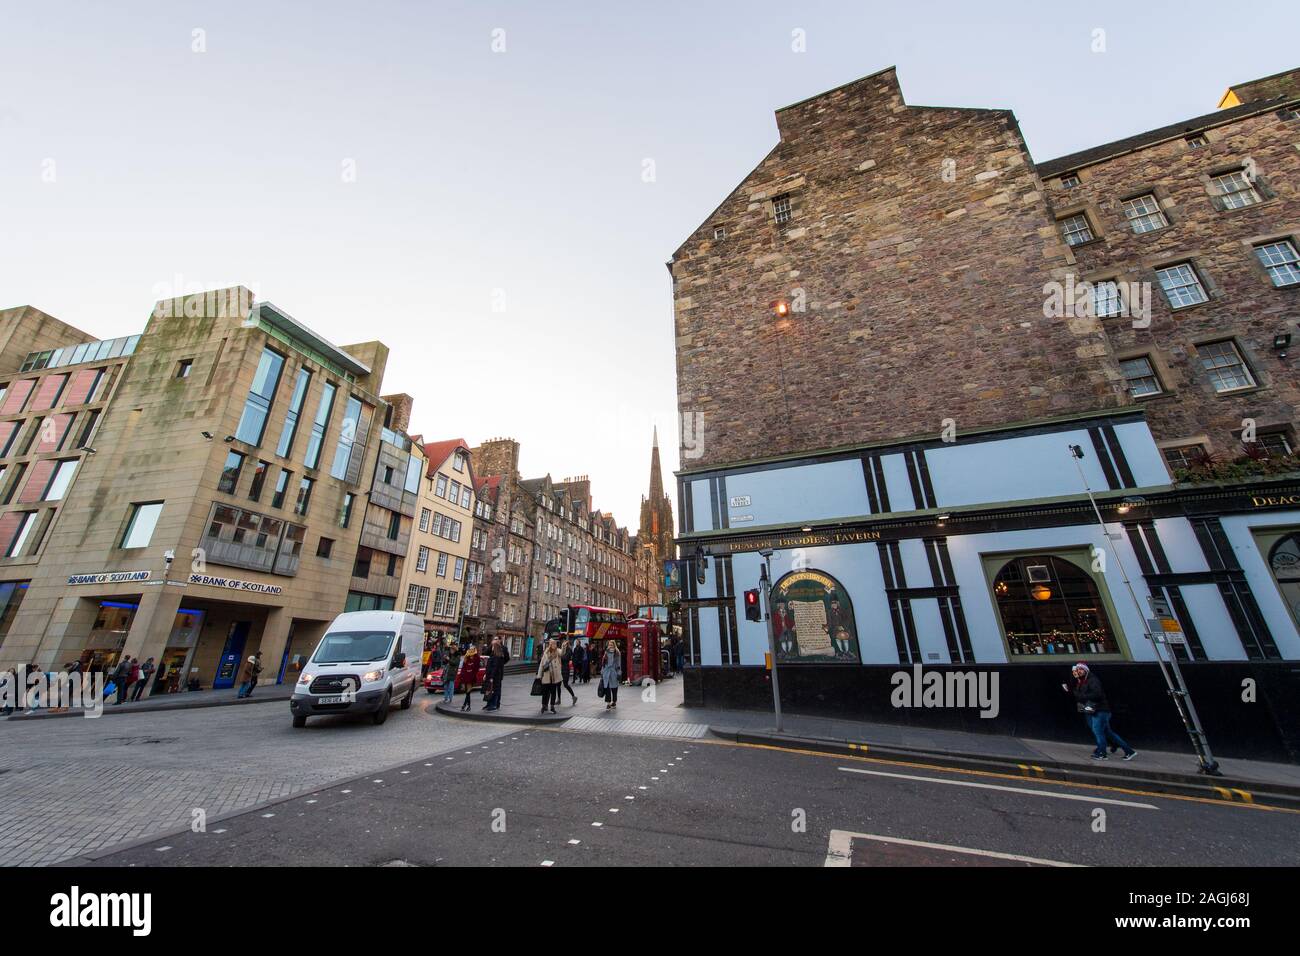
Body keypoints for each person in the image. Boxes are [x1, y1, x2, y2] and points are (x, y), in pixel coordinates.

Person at [1066, 662, 1136, 761]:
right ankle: (1128, 751)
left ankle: (1102, 753)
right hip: (1092, 710)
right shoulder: (1081, 681)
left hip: (1100, 710)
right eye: (1077, 670)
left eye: (1081, 669)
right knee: (1107, 732)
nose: (1079, 671)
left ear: (1086, 670)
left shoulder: (1092, 680)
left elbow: (1097, 694)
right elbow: (1078, 694)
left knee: (1098, 731)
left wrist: (1083, 696)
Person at [483, 637, 510, 711]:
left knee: (496, 689)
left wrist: (500, 664)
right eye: (494, 639)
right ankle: (489, 703)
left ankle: (496, 704)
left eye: (496, 639)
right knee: (489, 688)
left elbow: (507, 658)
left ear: (500, 640)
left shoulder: (503, 648)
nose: (494, 640)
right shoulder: (492, 648)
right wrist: (491, 645)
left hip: (498, 672)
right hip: (491, 672)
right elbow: (486, 653)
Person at [537, 640, 563, 714]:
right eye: (553, 644)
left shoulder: (557, 652)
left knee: (553, 693)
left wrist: (563, 646)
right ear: (550, 645)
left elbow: (562, 653)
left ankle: (552, 706)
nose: (554, 645)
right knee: (545, 692)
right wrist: (539, 675)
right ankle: (544, 706)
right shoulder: (546, 653)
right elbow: (542, 665)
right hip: (546, 676)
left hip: (554, 677)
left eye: (555, 644)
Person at [459, 644, 483, 711]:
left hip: (471, 677)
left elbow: (476, 668)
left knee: (468, 691)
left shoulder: (477, 658)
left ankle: (466, 705)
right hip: (466, 676)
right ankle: (467, 705)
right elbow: (463, 667)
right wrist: (462, 676)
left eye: (472, 649)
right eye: (470, 649)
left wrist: (472, 675)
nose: (471, 650)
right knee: (467, 692)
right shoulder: (467, 657)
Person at [600, 639, 622, 710]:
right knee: (607, 688)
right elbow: (603, 663)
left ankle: (614, 701)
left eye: (611, 645)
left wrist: (618, 672)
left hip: (613, 672)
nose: (610, 646)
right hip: (606, 673)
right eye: (609, 645)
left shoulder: (617, 652)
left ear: (614, 645)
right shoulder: (606, 652)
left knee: (614, 688)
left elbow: (618, 664)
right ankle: (608, 703)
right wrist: (602, 671)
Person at [557, 638, 578, 706]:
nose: (564, 644)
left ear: (567, 644)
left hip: (565, 669)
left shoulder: (569, 650)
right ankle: (559, 699)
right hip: (560, 669)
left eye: (565, 643)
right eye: (563, 643)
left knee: (565, 684)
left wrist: (560, 656)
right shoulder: (562, 650)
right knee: (558, 685)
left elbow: (565, 658)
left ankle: (574, 696)